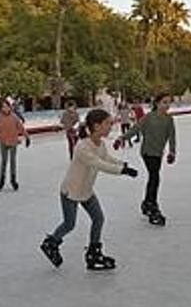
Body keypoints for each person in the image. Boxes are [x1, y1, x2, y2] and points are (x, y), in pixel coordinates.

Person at [40, 109, 137, 270]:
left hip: (86, 190)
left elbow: (106, 158)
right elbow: (99, 164)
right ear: (96, 126)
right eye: (108, 124)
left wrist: (123, 165)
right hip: (71, 191)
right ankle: (51, 243)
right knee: (69, 224)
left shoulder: (100, 144)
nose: (111, 127)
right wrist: (122, 171)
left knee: (98, 219)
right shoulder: (82, 147)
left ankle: (94, 253)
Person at [116, 94, 177, 226]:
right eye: (164, 102)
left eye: (168, 103)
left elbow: (172, 136)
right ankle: (151, 204)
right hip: (147, 152)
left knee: (153, 177)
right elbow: (135, 129)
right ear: (157, 103)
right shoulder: (149, 117)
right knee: (155, 176)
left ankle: (147, 202)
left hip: (158, 153)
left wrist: (172, 152)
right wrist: (122, 138)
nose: (167, 105)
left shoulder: (169, 119)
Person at [0, 99, 28, 191]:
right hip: (3, 142)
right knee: (3, 161)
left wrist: (27, 137)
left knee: (13, 161)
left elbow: (21, 128)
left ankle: (13, 180)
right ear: (1, 108)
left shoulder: (14, 117)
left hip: (13, 141)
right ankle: (1, 180)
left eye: (7, 107)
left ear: (10, 107)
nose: (5, 109)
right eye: (3, 107)